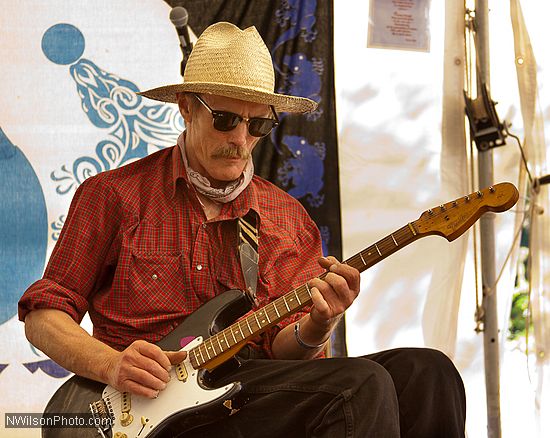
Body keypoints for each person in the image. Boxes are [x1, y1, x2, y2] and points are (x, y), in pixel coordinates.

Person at [19, 22, 466, 437]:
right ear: (187, 108)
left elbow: (285, 352)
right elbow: (44, 317)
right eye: (227, 119)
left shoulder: (286, 217)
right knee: (361, 384)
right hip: (140, 410)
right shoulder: (114, 194)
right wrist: (114, 365)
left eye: (258, 125)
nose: (240, 138)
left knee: (429, 373)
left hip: (243, 398)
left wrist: (318, 324)